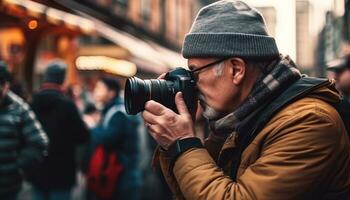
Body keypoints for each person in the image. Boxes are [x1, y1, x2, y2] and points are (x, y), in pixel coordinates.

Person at [142, 1, 350, 199]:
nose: (191, 84)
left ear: (236, 70)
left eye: (195, 73)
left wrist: (183, 143)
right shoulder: (241, 119)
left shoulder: (309, 122)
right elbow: (193, 192)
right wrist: (173, 144)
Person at [27, 60, 90, 200]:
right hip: (62, 171)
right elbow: (82, 136)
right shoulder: (67, 105)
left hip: (37, 169)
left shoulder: (31, 103)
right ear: (62, 80)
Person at [0, 61, 48, 200]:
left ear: (6, 86)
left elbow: (39, 142)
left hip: (7, 187)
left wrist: (18, 166)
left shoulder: (19, 108)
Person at [89, 77, 142, 200]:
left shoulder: (118, 113)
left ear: (111, 93)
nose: (96, 91)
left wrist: (93, 127)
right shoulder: (116, 109)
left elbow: (108, 139)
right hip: (122, 174)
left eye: (100, 88)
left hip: (122, 176)